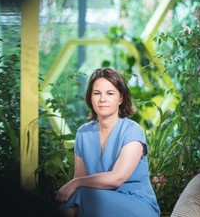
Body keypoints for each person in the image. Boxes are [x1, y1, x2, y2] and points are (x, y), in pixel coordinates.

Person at [55, 67, 161, 217]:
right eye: (97, 93)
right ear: (90, 98)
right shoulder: (83, 133)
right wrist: (77, 183)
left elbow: (117, 178)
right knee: (72, 201)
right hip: (95, 200)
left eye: (110, 93)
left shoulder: (132, 131)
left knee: (79, 198)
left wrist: (76, 183)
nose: (102, 99)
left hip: (136, 204)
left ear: (121, 98)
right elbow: (80, 179)